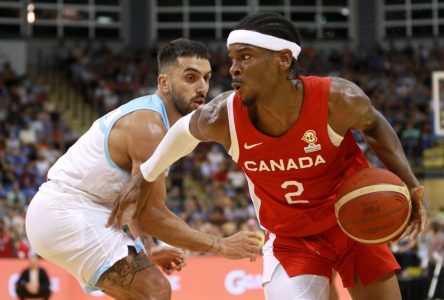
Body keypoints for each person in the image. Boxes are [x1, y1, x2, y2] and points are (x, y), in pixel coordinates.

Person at [108, 12, 428, 300]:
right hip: (290, 238)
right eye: (233, 58)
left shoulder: (337, 99)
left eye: (246, 57)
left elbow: (374, 125)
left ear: (284, 60)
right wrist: (145, 174)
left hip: (352, 226)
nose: (233, 67)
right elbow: (182, 134)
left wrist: (411, 184)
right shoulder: (224, 116)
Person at [26, 38, 262, 300]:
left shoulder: (168, 127)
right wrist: (220, 244)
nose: (202, 87)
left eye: (206, 78)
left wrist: (148, 247)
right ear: (164, 83)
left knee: (146, 293)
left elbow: (137, 201)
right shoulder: (149, 126)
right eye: (190, 77)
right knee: (155, 291)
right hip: (66, 210)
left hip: (77, 211)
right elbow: (151, 214)